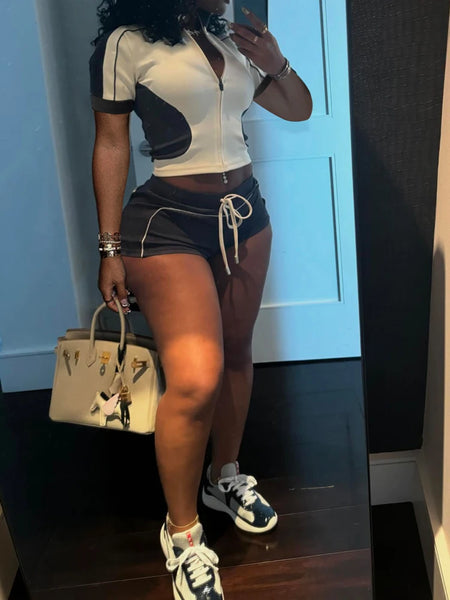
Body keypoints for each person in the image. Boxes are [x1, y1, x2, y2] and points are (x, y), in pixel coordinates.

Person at [90, 1, 312, 598]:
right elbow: (111, 143)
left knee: (236, 353)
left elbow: (299, 108)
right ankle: (182, 532)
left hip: (244, 218)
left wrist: (277, 63)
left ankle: (224, 475)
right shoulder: (127, 42)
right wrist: (109, 248)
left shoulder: (231, 38)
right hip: (166, 225)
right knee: (195, 379)